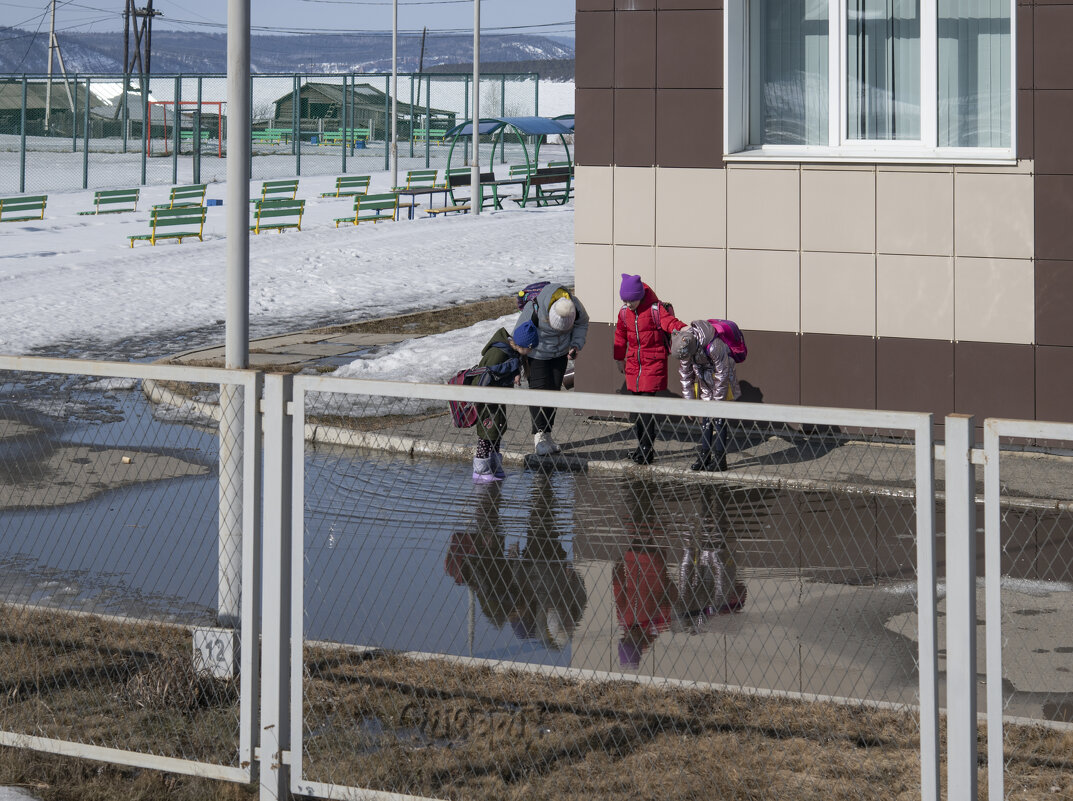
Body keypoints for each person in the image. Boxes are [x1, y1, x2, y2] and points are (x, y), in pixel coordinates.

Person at [612, 273, 686, 465]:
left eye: (632, 300)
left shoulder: (655, 308)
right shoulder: (624, 312)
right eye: (625, 300)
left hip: (652, 363)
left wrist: (683, 329)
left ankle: (646, 449)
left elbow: (669, 322)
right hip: (634, 366)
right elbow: (620, 335)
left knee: (646, 409)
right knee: (638, 409)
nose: (628, 304)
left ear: (640, 296)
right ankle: (641, 447)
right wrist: (619, 358)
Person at [518, 282, 589, 456]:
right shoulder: (534, 307)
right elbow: (518, 335)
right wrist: (518, 365)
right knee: (539, 393)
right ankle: (538, 437)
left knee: (554, 392)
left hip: (560, 354)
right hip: (537, 355)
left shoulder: (573, 305)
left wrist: (575, 344)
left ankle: (547, 434)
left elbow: (582, 323)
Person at [471, 319, 539, 483]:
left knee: (497, 430)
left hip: (498, 398)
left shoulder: (511, 351)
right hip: (487, 399)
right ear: (522, 345)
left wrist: (513, 374)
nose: (530, 352)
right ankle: (480, 470)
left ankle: (493, 465)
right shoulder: (498, 353)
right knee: (487, 433)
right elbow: (486, 376)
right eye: (529, 349)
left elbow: (506, 368)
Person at [671, 320, 742, 472]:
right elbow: (685, 376)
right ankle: (705, 455)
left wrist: (717, 403)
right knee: (705, 419)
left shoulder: (714, 346)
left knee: (718, 419)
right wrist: (689, 405)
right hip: (705, 381)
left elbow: (722, 375)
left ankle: (720, 458)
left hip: (722, 381)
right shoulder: (685, 348)